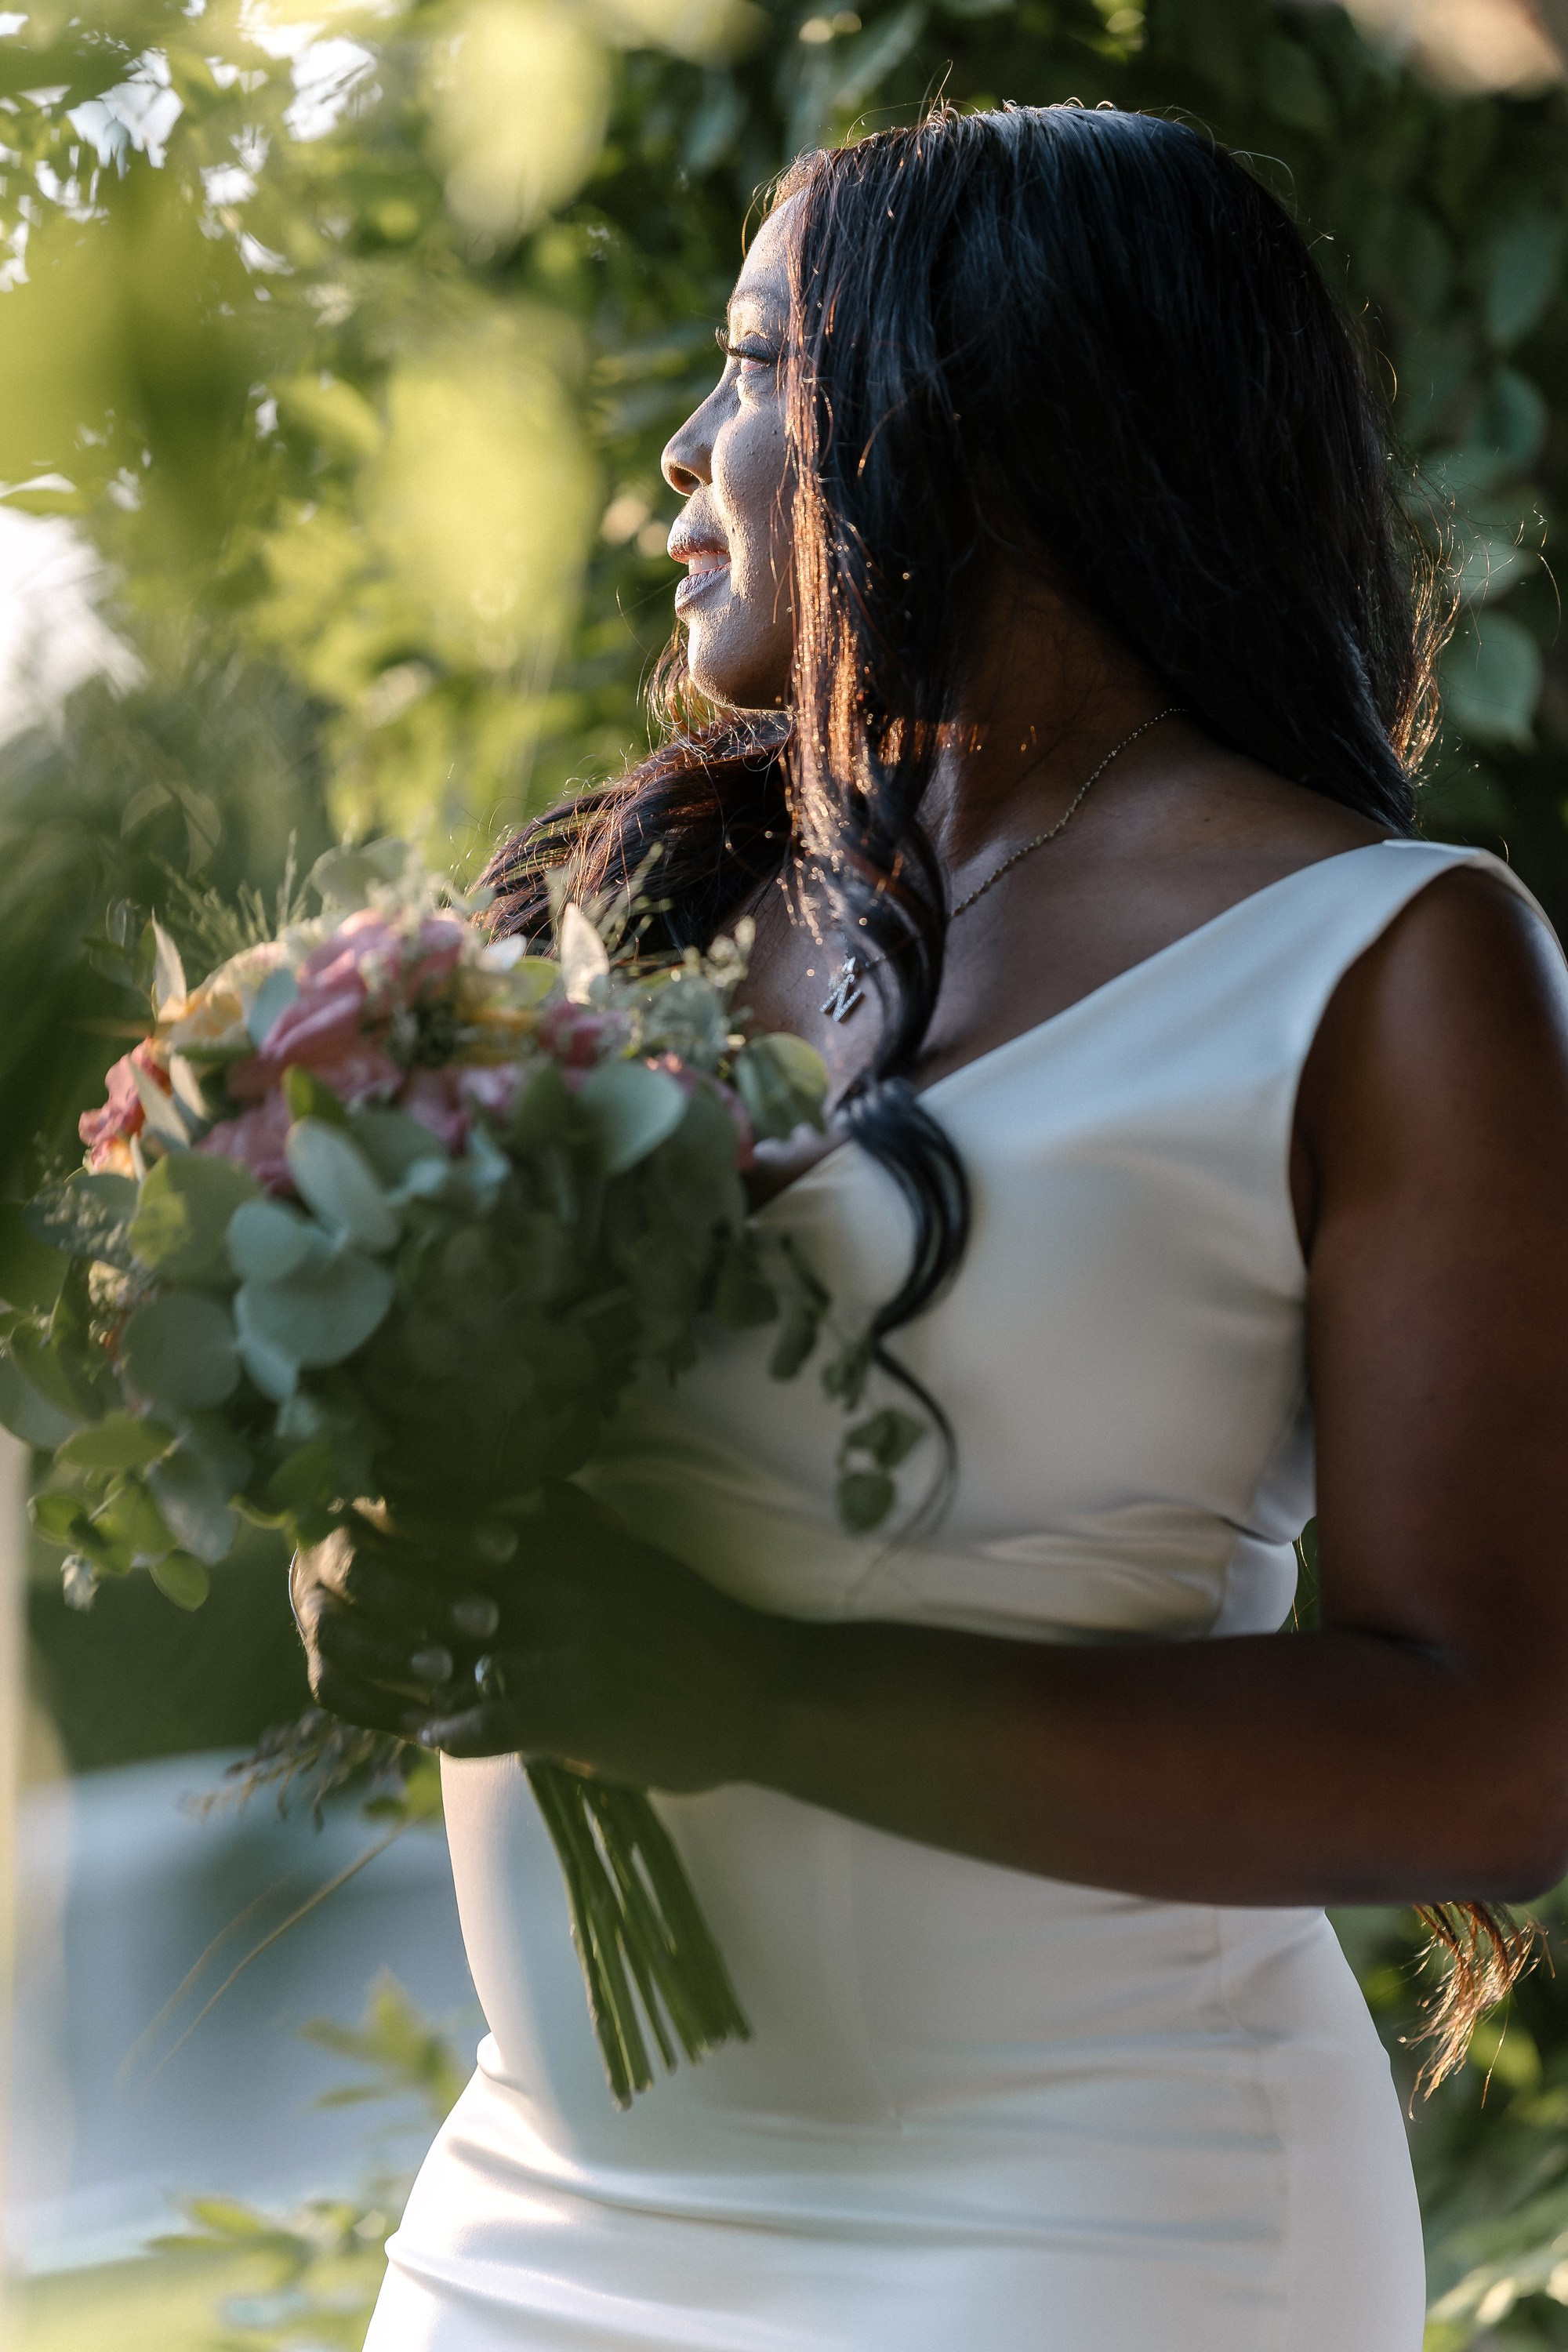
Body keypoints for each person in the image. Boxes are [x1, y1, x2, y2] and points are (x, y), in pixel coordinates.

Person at [298, 104, 1568, 2350]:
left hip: (1089, 2216)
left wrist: (767, 1696)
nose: (685, 455)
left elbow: (1489, 1753)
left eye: (752, 366)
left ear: (975, 427)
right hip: (535, 2221)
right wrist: (389, 1554)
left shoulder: (1388, 965)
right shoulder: (616, 926)